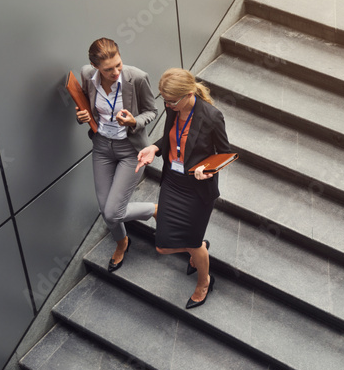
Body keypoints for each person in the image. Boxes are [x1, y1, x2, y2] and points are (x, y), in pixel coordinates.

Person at [136, 68, 232, 309]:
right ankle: (199, 248)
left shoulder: (211, 116)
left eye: (171, 101)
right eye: (165, 100)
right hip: (173, 182)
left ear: (189, 94)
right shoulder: (174, 109)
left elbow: (226, 154)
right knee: (162, 245)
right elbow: (171, 138)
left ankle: (204, 280)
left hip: (198, 190)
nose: (167, 106)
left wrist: (208, 169)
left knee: (192, 242)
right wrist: (155, 149)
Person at [75, 38, 158, 272]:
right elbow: (85, 106)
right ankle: (122, 242)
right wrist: (81, 116)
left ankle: (154, 210)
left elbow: (152, 111)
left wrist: (134, 120)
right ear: (94, 66)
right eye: (108, 69)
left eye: (118, 65)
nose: (115, 72)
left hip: (130, 149)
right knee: (107, 211)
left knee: (113, 212)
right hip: (101, 146)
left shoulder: (137, 78)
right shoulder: (86, 75)